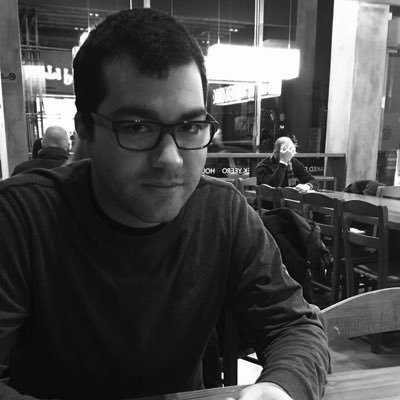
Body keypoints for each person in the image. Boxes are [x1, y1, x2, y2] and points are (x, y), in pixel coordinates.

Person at [0, 8, 329, 400]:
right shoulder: (22, 217)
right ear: (85, 129)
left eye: (190, 126)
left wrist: (279, 389)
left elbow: (293, 327)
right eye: (137, 127)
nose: (171, 159)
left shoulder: (221, 212)